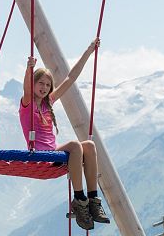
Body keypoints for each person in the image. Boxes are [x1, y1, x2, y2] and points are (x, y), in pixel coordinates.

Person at [20, 38, 110, 231]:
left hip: (53, 156)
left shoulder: (48, 102)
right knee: (75, 145)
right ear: (34, 84)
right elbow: (26, 89)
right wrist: (29, 69)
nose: (44, 87)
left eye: (47, 84)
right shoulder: (27, 104)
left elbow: (71, 78)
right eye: (40, 83)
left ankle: (93, 198)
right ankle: (79, 199)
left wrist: (88, 51)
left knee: (89, 146)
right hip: (39, 158)